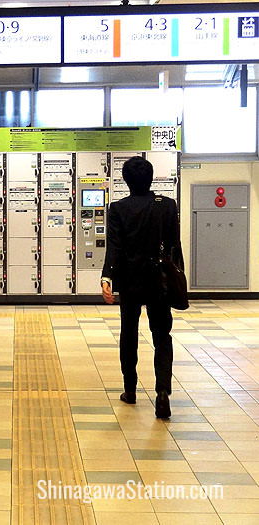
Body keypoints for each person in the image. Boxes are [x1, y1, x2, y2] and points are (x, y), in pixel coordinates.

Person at [100, 156, 183, 419]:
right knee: (162, 335)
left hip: (130, 281)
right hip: (159, 280)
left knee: (129, 334)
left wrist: (107, 278)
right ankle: (162, 393)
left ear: (125, 180)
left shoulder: (118, 209)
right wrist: (178, 279)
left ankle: (130, 389)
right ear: (151, 177)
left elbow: (114, 247)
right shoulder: (167, 206)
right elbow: (173, 246)